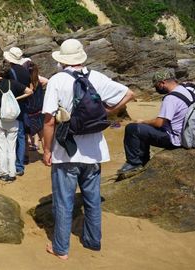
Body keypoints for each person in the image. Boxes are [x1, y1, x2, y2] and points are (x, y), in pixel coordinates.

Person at [42, 39, 134, 259]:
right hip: (95, 153)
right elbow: (129, 93)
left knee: (64, 202)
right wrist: (107, 112)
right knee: (92, 201)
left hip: (66, 152)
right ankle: (93, 241)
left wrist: (46, 150)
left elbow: (48, 122)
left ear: (62, 60)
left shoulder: (57, 80)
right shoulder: (96, 77)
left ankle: (61, 249)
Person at [118, 70, 195, 174]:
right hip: (190, 133)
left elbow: (159, 123)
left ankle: (135, 163)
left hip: (176, 139)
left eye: (156, 86)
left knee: (133, 128)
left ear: (162, 83)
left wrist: (143, 121)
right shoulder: (187, 91)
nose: (156, 89)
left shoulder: (171, 98)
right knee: (145, 130)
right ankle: (142, 160)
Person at [0, 47, 30, 176]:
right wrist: (15, 98)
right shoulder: (14, 81)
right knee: (12, 147)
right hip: (13, 117)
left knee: (1, 147)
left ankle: (3, 172)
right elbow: (30, 91)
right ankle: (13, 171)